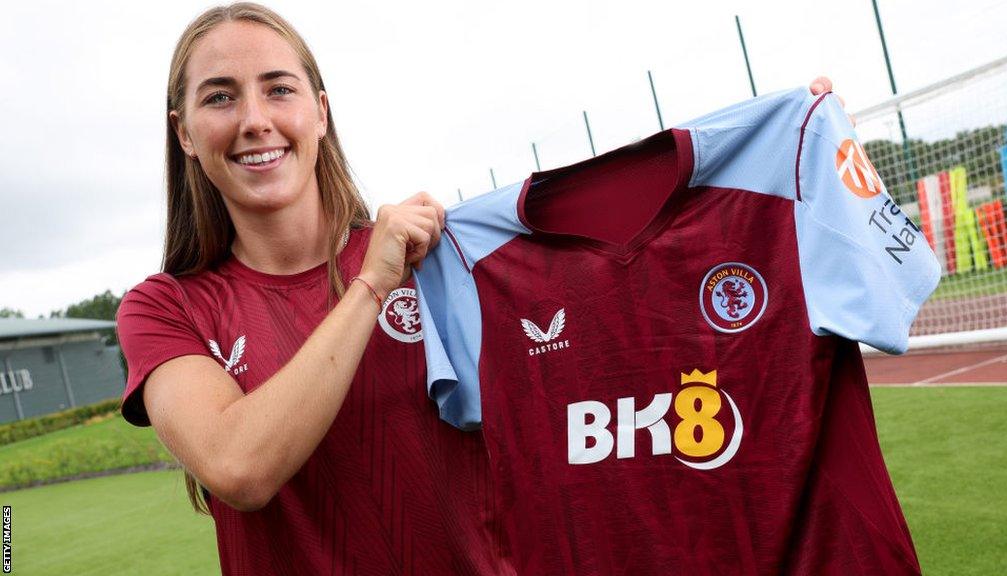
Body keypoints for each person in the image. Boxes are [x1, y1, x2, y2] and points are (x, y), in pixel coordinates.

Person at [116, 2, 847, 574]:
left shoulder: (443, 259)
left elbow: (628, 298)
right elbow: (239, 466)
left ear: (319, 111)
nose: (254, 120)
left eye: (278, 89)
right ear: (183, 132)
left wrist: (794, 148)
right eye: (220, 98)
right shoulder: (166, 308)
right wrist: (371, 285)